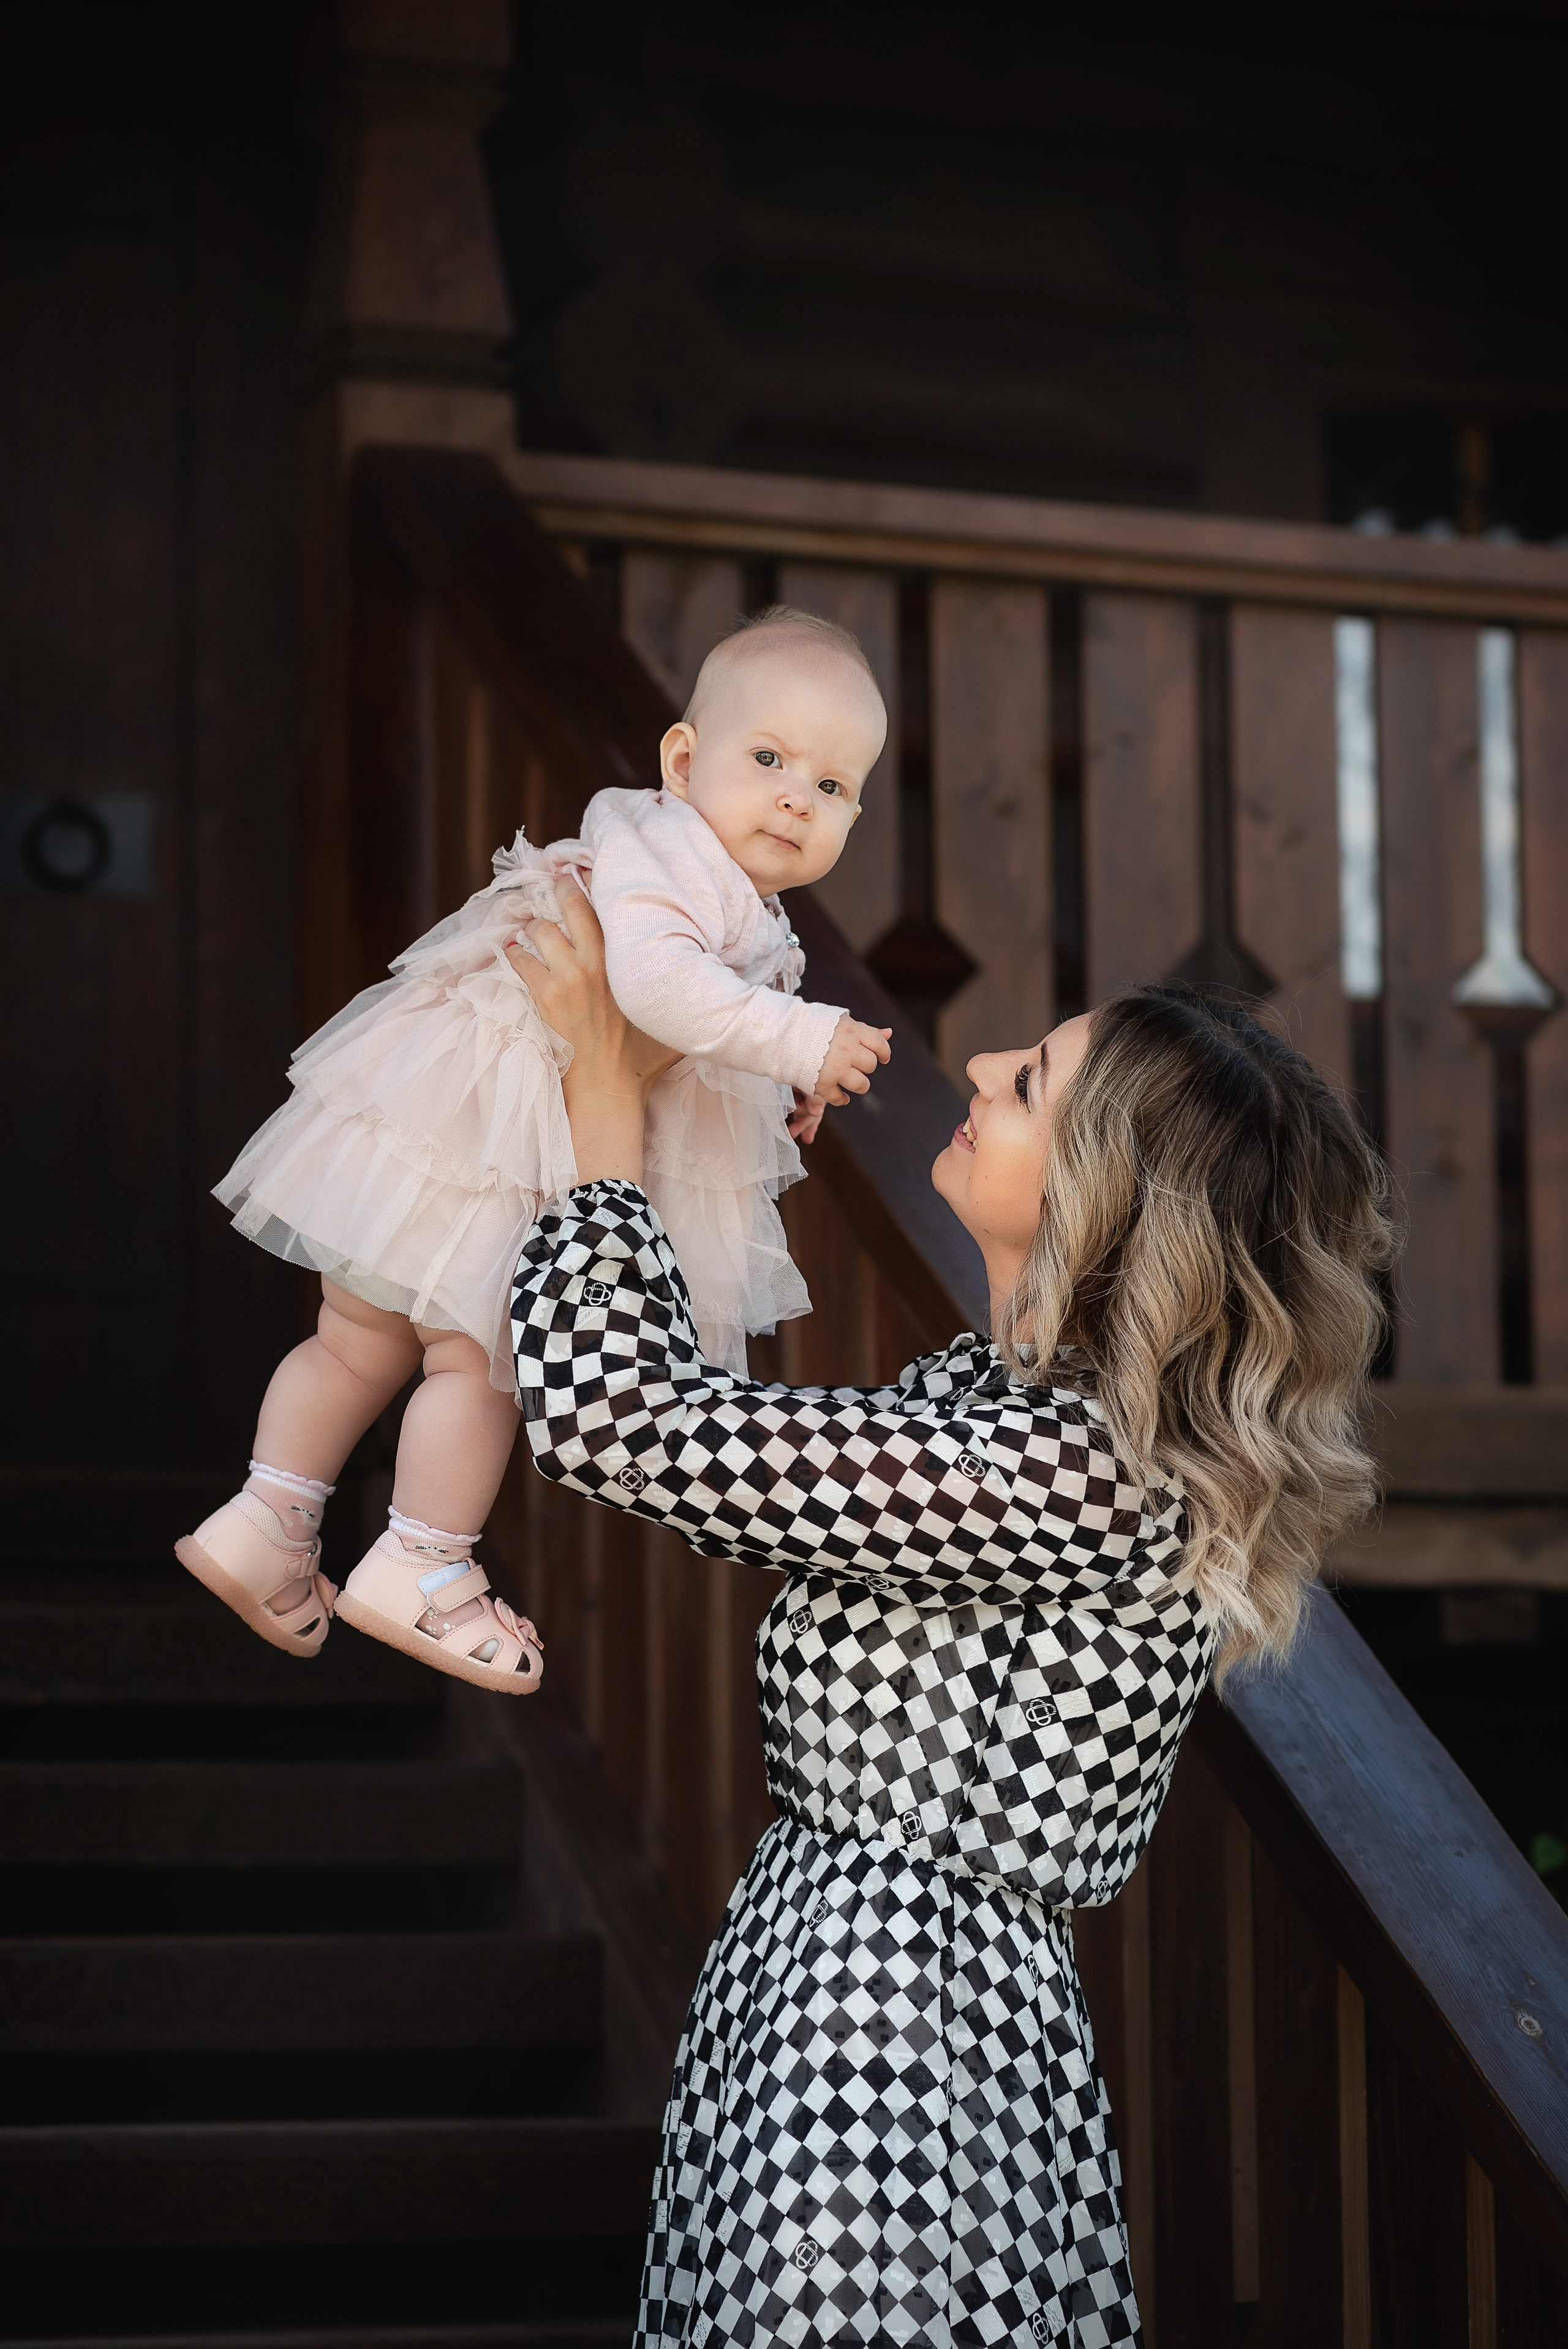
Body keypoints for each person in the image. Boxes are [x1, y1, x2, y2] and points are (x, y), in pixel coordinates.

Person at [508, 885, 1395, 2348]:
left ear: (1105, 1188)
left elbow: (625, 1423)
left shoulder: (1079, 1473)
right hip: (848, 1984)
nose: (977, 1072)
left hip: (893, 2036)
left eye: (1030, 1081)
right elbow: (718, 1432)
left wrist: (605, 1095)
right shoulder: (992, 1416)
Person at [175, 608, 892, 1690]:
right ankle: (424, 1562)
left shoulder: (719, 882)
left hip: (439, 1114)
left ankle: (267, 1516)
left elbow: (711, 1013)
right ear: (684, 759)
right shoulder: (673, 855)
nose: (800, 796)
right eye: (770, 759)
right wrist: (802, 1034)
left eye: (835, 788)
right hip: (523, 1128)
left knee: (358, 1336)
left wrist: (786, 1074)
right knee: (486, 1361)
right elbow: (655, 988)